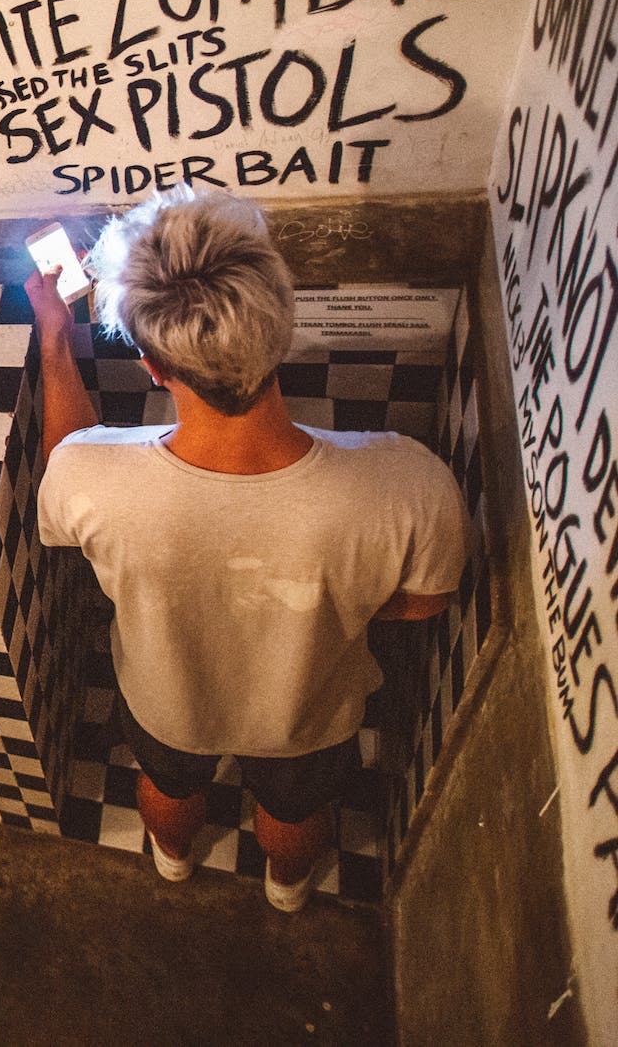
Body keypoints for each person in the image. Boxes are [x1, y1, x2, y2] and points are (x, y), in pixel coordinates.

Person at [29, 186, 467, 911]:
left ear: (151, 366)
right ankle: (288, 888)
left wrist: (52, 334)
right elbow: (426, 601)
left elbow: (69, 460)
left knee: (168, 789)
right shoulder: (409, 483)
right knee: (296, 813)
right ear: (281, 328)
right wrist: (324, 597)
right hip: (307, 715)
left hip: (165, 706)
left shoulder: (90, 476)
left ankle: (172, 862)